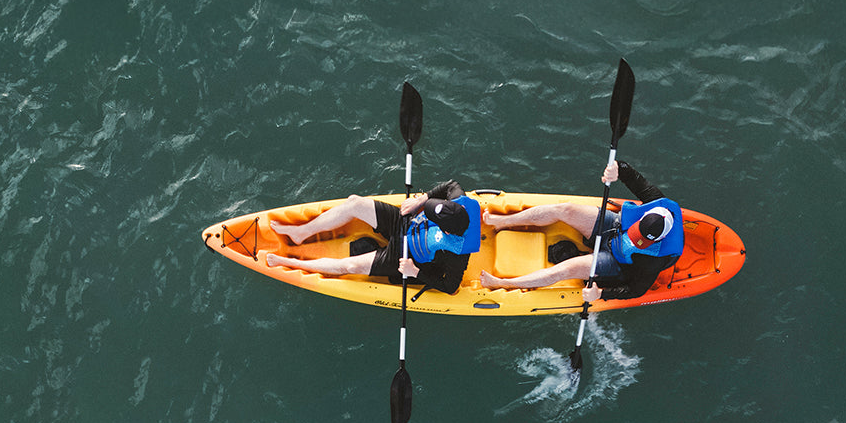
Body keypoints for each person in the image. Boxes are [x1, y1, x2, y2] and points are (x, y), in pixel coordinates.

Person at [479, 160, 684, 302]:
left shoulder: (654, 260)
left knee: (565, 270)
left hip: (617, 260)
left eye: (640, 241)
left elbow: (636, 291)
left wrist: (601, 294)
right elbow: (628, 172)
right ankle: (501, 222)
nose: (634, 240)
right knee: (563, 209)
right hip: (614, 227)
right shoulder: (658, 201)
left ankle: (503, 282)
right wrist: (616, 169)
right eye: (636, 234)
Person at [265, 181, 481, 295]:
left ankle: (289, 263)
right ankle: (302, 232)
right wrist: (422, 200)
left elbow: (450, 286)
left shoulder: (457, 253)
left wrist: (414, 272)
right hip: (406, 222)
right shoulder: (461, 201)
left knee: (348, 267)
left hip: (406, 256)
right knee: (354, 202)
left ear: (448, 232)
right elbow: (450, 185)